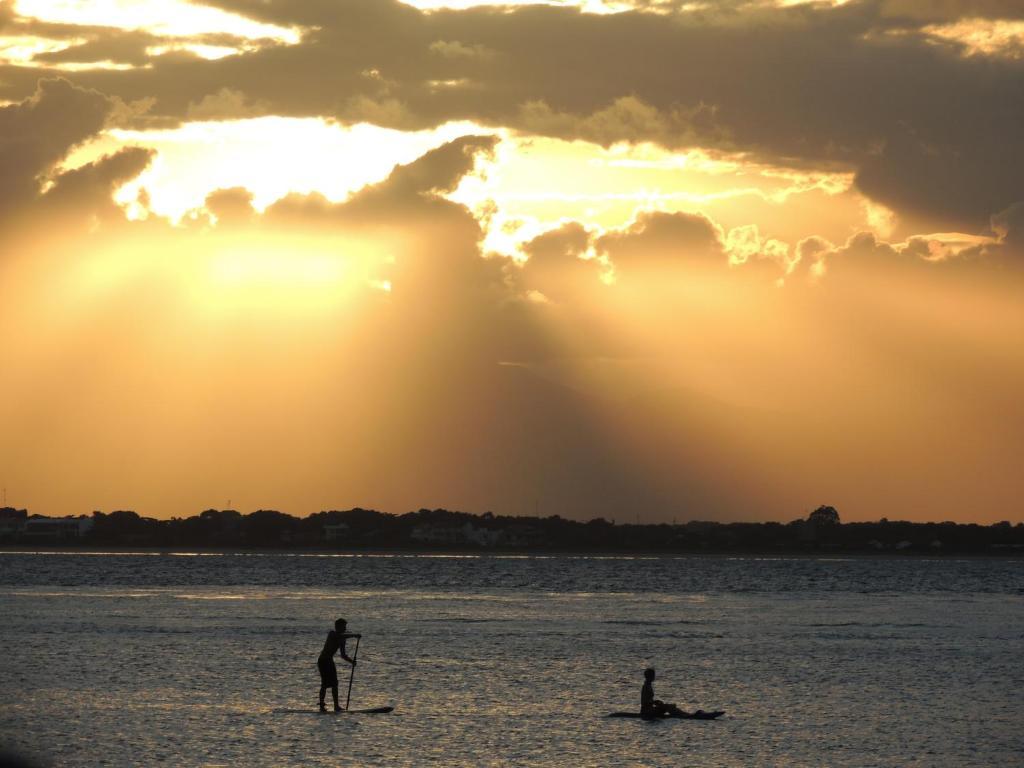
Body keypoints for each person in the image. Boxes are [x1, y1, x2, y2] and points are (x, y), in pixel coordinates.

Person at [318, 617, 360, 712]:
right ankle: (321, 705)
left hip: (329, 661)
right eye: (343, 627)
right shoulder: (332, 634)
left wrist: (351, 661)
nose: (345, 629)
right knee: (324, 684)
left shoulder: (342, 639)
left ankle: (336, 706)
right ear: (338, 627)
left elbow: (343, 655)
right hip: (323, 661)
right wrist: (354, 635)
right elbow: (340, 636)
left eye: (345, 627)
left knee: (335, 684)